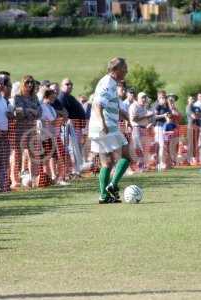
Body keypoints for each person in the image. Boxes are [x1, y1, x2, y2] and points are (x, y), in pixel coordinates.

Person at [88, 57, 132, 204]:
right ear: (115, 70)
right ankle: (112, 186)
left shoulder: (110, 82)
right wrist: (102, 123)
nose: (126, 71)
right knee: (126, 155)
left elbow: (111, 105)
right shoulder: (108, 82)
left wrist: (125, 117)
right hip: (106, 127)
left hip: (98, 127)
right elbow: (98, 104)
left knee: (106, 163)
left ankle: (103, 196)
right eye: (124, 68)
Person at [11, 75, 42, 187]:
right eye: (27, 82)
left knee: (33, 154)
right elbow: (19, 112)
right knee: (17, 154)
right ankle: (15, 180)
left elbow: (40, 112)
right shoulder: (17, 97)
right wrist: (30, 111)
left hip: (32, 128)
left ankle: (34, 179)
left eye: (31, 82)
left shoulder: (35, 97)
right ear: (22, 83)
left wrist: (31, 111)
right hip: (20, 128)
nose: (30, 84)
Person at [58, 78, 87, 177]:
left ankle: (76, 170)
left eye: (71, 84)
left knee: (76, 149)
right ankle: (72, 171)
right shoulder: (62, 97)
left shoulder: (69, 97)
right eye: (67, 84)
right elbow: (63, 113)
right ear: (62, 86)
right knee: (72, 149)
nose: (69, 86)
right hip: (69, 128)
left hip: (76, 127)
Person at [129, 92, 154, 172]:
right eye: (142, 97)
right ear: (137, 98)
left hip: (143, 128)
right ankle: (138, 167)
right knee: (139, 148)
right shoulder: (134, 106)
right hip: (137, 128)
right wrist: (147, 115)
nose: (144, 99)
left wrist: (162, 115)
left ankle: (142, 166)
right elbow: (133, 119)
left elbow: (147, 116)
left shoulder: (143, 107)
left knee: (142, 148)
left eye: (145, 97)